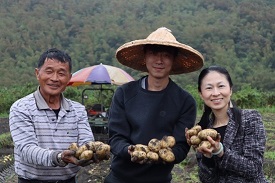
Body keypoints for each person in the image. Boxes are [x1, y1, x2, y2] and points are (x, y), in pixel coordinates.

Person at [104, 27, 204, 183]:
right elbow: (116, 138)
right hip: (120, 178)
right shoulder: (124, 93)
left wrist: (161, 156)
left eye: (166, 55)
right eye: (153, 53)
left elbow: (181, 147)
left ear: (174, 60)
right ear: (145, 57)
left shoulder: (185, 101)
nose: (159, 60)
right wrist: (130, 151)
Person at [9, 48, 95, 183]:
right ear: (37, 73)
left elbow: (86, 141)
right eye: (49, 72)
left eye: (61, 73)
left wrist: (91, 152)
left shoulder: (78, 109)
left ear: (69, 78)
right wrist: (59, 157)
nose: (54, 78)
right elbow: (27, 150)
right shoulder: (21, 108)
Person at [186, 65, 268, 182]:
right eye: (209, 88)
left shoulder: (250, 118)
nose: (215, 93)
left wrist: (220, 151)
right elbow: (206, 179)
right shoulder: (202, 132)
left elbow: (254, 168)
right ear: (201, 94)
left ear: (230, 89)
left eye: (221, 86)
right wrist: (207, 158)